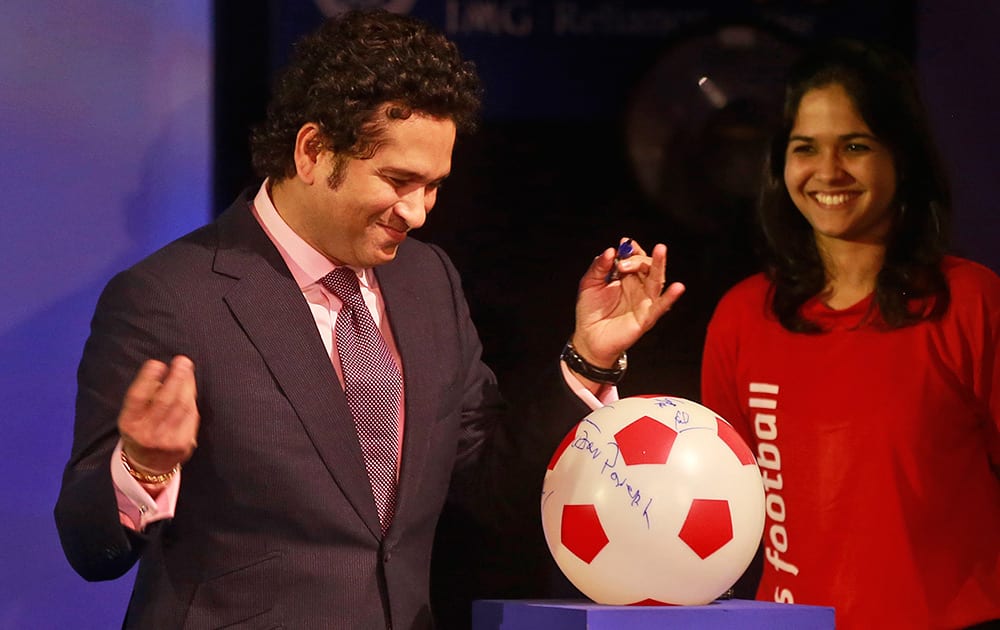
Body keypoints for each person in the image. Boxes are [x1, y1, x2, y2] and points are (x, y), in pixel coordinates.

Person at [53, 9, 685, 629]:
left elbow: (492, 486)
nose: (418, 212)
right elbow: (89, 549)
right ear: (312, 151)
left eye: (434, 185)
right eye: (398, 180)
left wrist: (587, 357)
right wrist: (141, 466)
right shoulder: (168, 295)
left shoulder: (427, 280)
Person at [701, 39, 1000, 629]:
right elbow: (715, 511)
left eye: (855, 146)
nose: (828, 172)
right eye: (805, 148)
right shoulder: (742, 317)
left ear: (902, 157)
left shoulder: (972, 303)